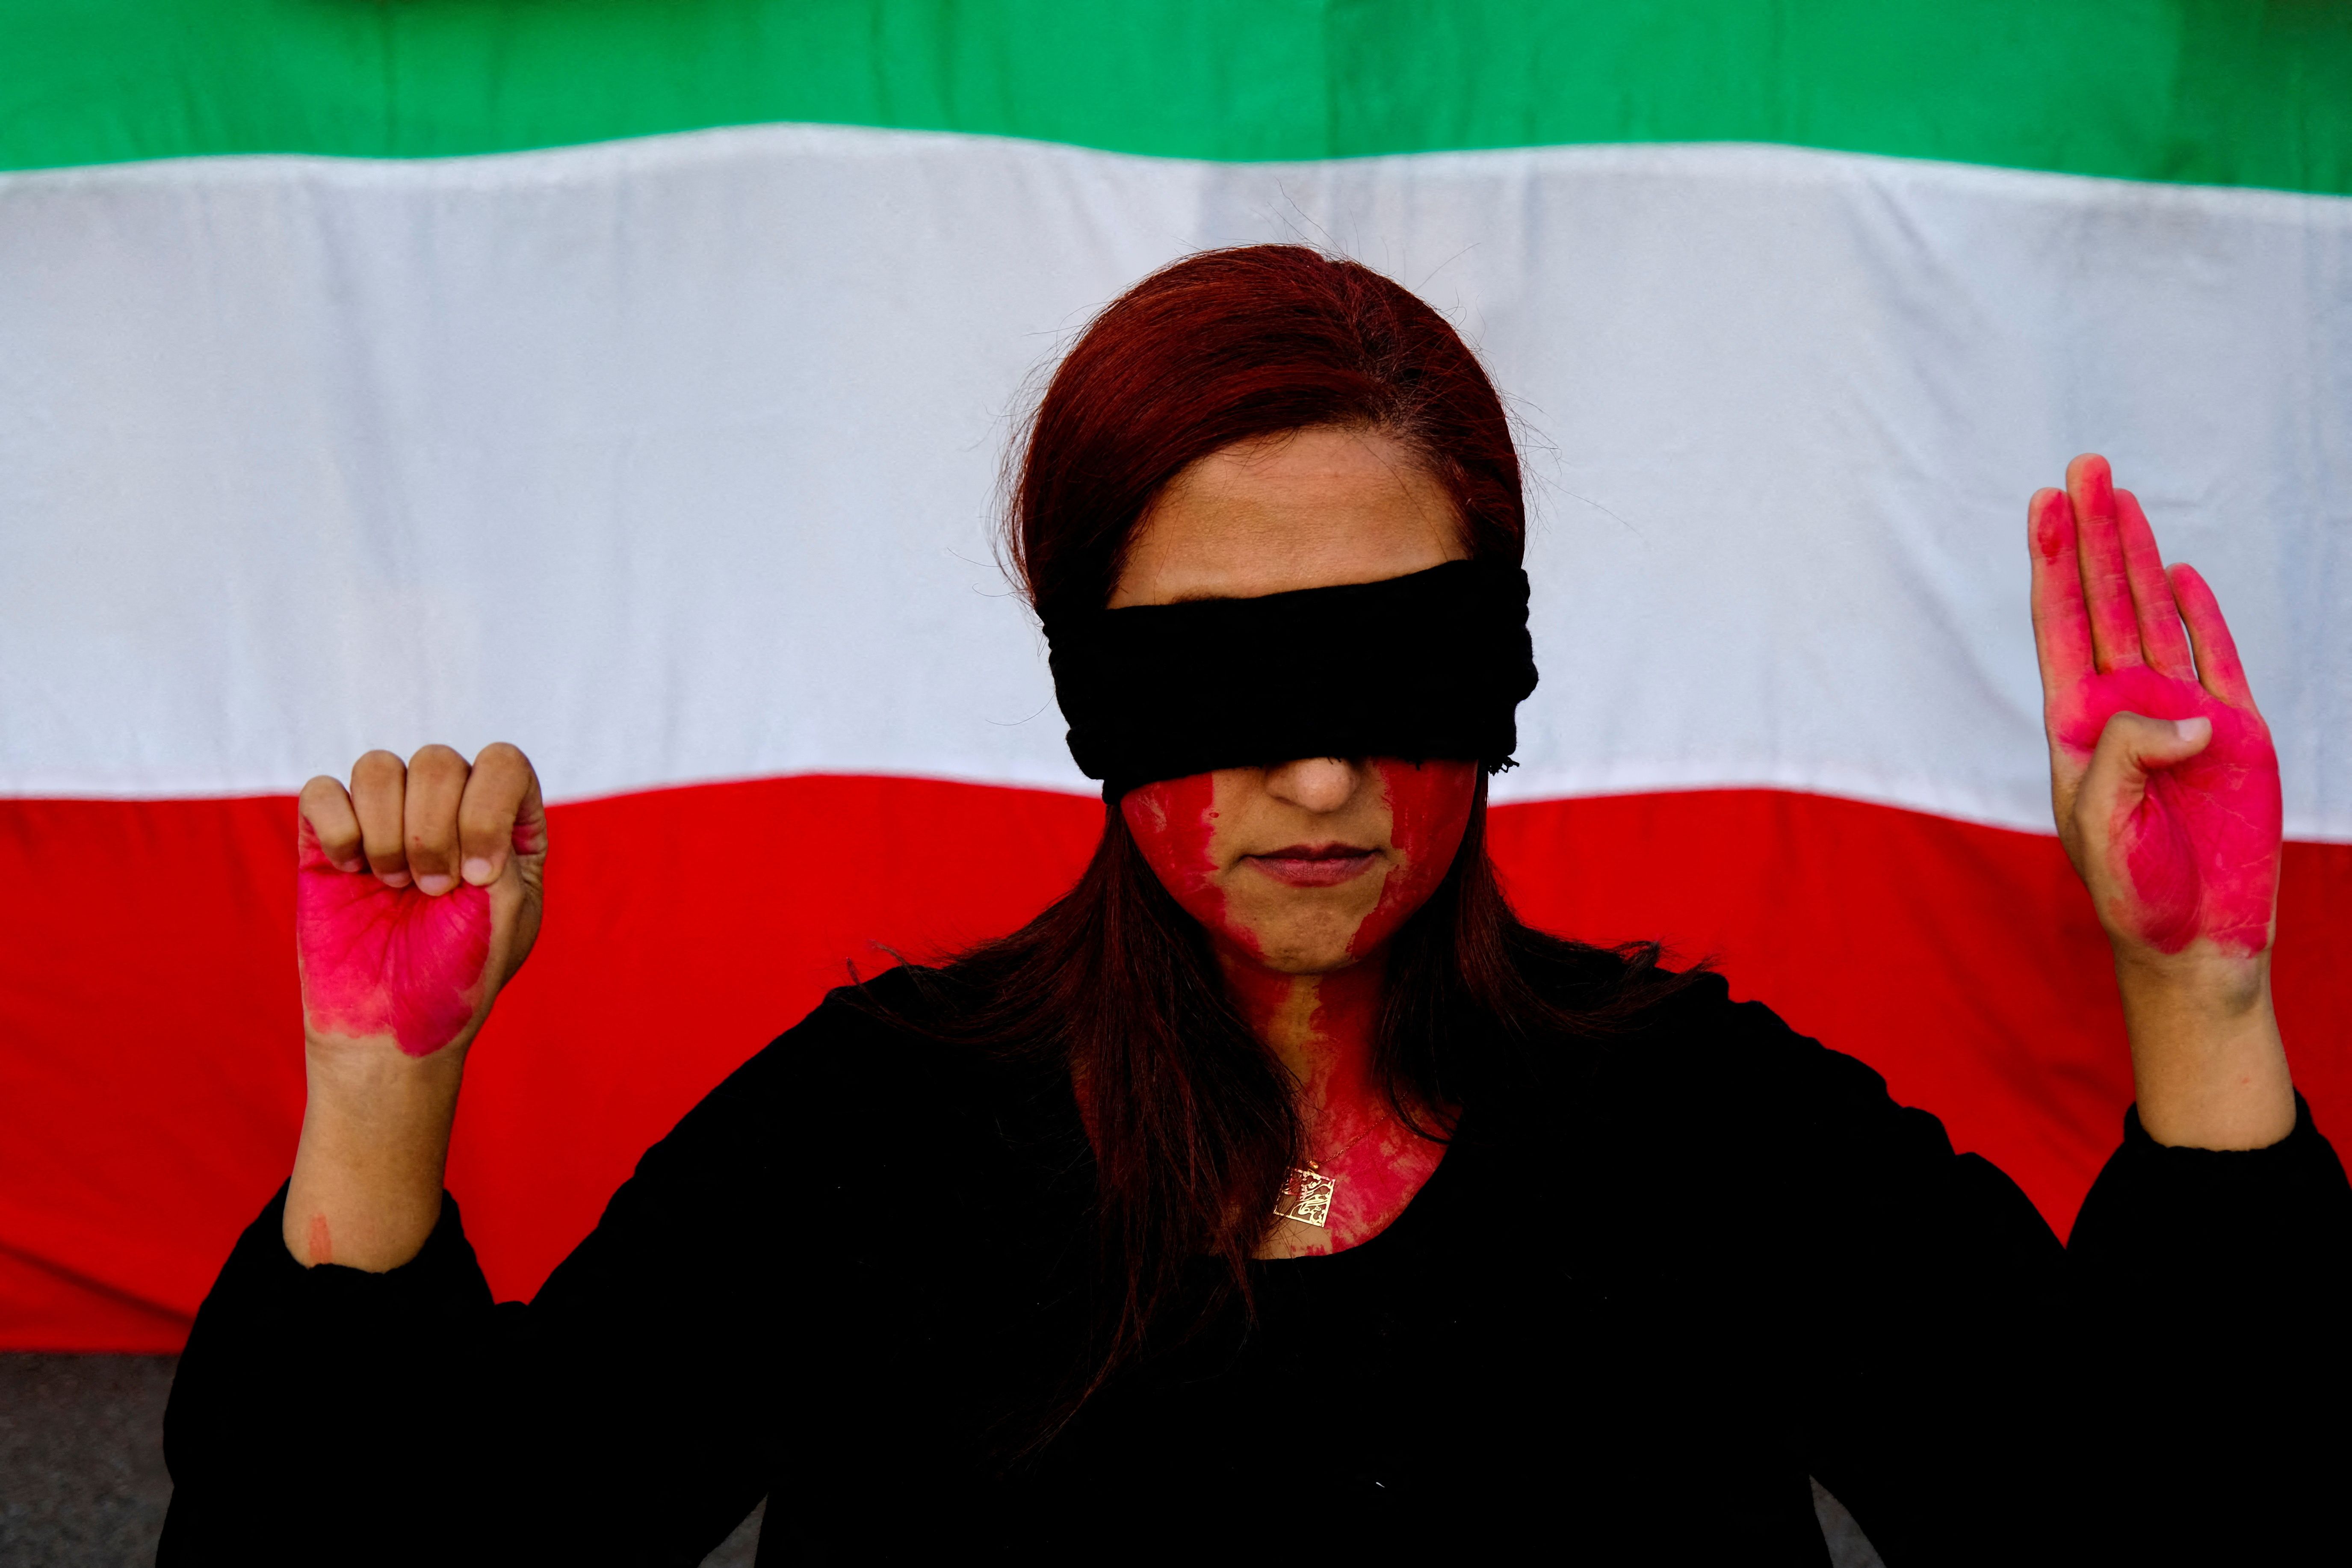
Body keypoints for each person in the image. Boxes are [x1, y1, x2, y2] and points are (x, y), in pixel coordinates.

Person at [160, 246, 2346, 1564]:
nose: (1311, 770)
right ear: (1088, 695)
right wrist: (377, 1092)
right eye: (1220, 682)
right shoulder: (871, 1141)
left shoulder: (1703, 1127)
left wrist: (2197, 994)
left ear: (1498, 671)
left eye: (1386, 672)